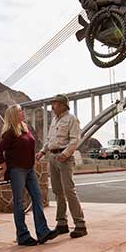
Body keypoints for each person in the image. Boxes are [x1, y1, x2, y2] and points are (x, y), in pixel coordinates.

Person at [0, 104, 59, 246]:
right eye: (19, 111)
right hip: (17, 170)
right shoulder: (10, 132)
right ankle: (23, 236)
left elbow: (30, 147)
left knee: (37, 198)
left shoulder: (25, 128)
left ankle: (43, 232)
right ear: (13, 115)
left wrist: (32, 161)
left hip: (29, 170)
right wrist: (4, 165)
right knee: (19, 203)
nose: (22, 112)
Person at [36, 94, 87, 238]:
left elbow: (75, 139)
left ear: (64, 105)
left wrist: (65, 154)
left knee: (69, 191)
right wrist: (42, 151)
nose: (53, 107)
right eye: (52, 104)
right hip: (52, 157)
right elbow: (49, 140)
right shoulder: (54, 120)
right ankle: (62, 223)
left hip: (64, 158)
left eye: (56, 104)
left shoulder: (72, 119)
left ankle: (80, 224)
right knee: (58, 191)